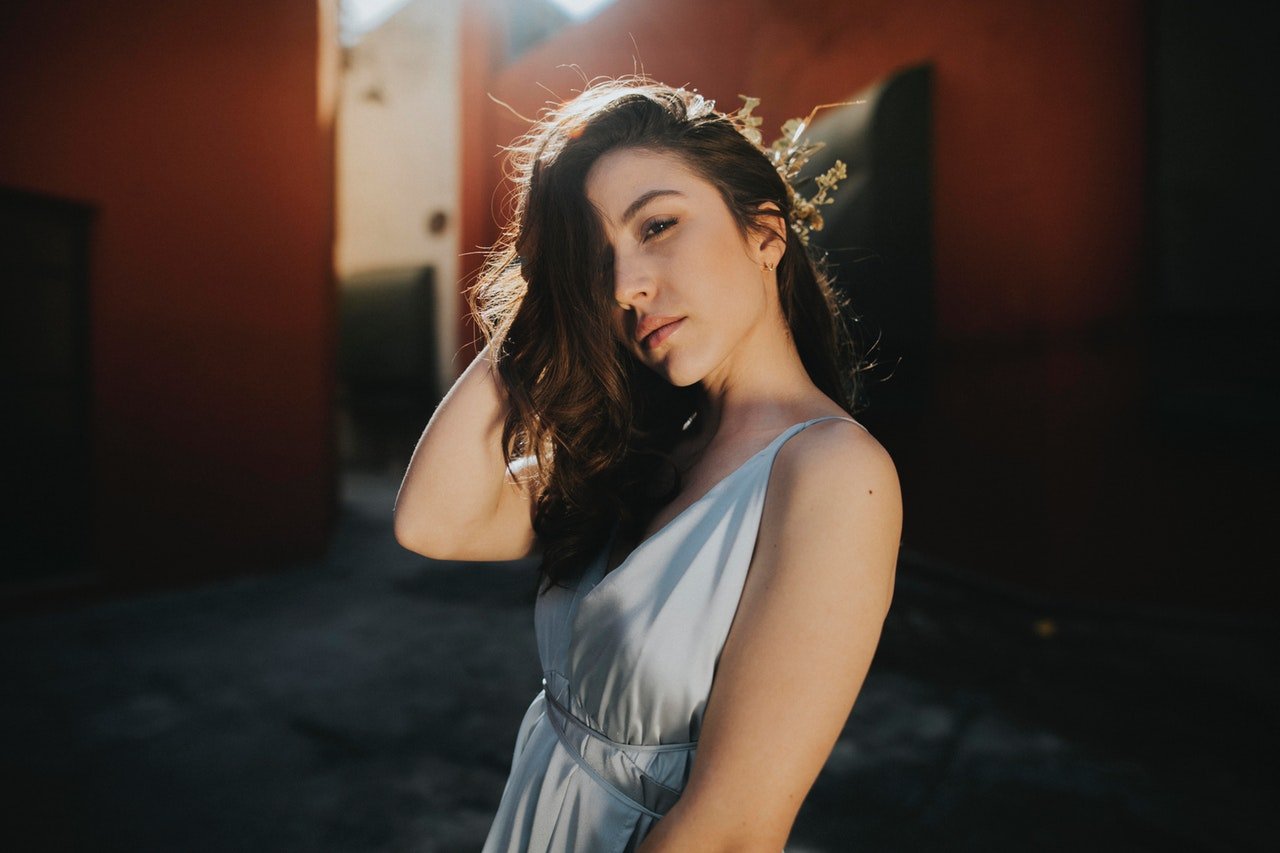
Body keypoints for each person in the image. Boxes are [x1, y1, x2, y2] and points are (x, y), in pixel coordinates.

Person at [394, 77, 902, 852]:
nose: (625, 286)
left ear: (766, 233)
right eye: (596, 263)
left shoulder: (833, 474)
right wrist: (546, 290)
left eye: (658, 224)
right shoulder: (648, 441)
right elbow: (433, 522)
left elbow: (732, 828)